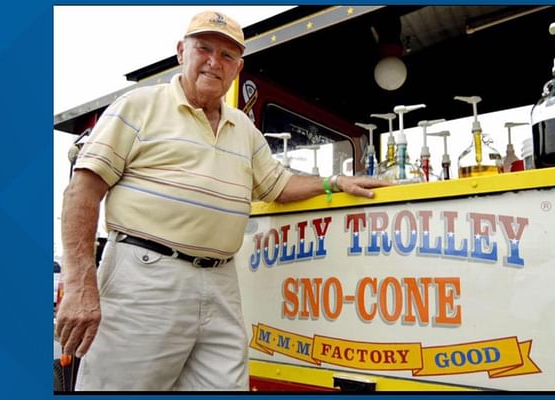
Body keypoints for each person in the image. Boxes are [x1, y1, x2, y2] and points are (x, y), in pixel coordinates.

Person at [56, 10, 388, 391]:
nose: (215, 62)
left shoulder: (243, 128)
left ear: (237, 68)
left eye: (227, 56)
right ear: (181, 51)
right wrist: (80, 281)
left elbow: (277, 184)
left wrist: (335, 182)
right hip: (146, 276)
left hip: (221, 281)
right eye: (204, 48)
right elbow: (82, 190)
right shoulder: (139, 105)